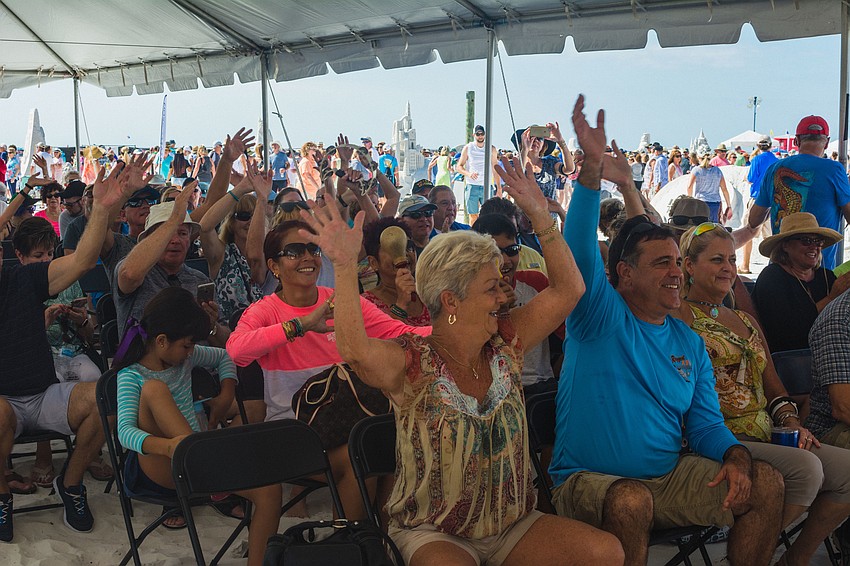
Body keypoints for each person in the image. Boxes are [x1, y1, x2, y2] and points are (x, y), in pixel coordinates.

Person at [305, 147, 625, 566]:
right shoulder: (413, 362)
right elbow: (355, 350)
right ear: (451, 300)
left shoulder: (507, 343)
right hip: (434, 531)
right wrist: (345, 267)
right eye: (491, 287)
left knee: (606, 552)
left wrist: (542, 217)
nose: (504, 293)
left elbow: (570, 290)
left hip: (513, 523)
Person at [549, 94, 784, 566]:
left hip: (668, 478)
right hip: (586, 481)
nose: (676, 273)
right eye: (662, 263)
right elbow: (576, 250)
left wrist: (735, 454)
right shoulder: (599, 316)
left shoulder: (688, 342)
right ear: (624, 275)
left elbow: (704, 425)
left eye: (678, 262)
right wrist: (591, 170)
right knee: (632, 500)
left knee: (765, 481)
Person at [226, 213, 432, 519]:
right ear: (274, 266)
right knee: (363, 455)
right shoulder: (265, 310)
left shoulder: (343, 301)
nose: (308, 258)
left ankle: (380, 539)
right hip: (293, 431)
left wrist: (458, 326)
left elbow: (402, 333)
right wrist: (303, 324)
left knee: (394, 442)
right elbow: (237, 351)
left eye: (313, 250)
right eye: (295, 251)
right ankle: (355, 539)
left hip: (349, 421)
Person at [677, 221, 850, 566]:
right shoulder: (678, 317)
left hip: (765, 432)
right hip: (718, 436)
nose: (727, 267)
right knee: (808, 470)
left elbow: (775, 389)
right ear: (689, 266)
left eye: (730, 259)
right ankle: (750, 553)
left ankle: (791, 557)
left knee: (846, 471)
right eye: (716, 260)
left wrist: (790, 422)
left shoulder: (745, 320)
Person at [0, 156, 147, 542]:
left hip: (44, 392)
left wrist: (101, 207)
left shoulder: (20, 277)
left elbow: (82, 260)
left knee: (104, 396)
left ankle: (72, 482)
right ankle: (1, 493)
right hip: (3, 404)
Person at [114, 287, 280, 564]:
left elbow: (225, 356)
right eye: (187, 345)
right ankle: (201, 459)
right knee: (154, 389)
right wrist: (168, 446)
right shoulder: (131, 375)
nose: (190, 352)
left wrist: (226, 393)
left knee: (270, 490)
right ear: (162, 341)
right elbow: (125, 433)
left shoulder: (184, 358)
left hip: (196, 452)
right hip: (157, 463)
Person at [472, 213, 560, 396]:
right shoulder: (465, 296)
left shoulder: (535, 282)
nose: (505, 260)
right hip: (491, 393)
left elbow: (570, 335)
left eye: (512, 250)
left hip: (538, 390)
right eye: (494, 253)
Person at [746, 115, 850, 270]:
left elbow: (754, 220)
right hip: (818, 270)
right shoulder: (834, 169)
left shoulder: (774, 169)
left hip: (780, 268)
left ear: (796, 141)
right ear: (827, 142)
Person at [752, 212, 850, 353]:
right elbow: (788, 332)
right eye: (806, 241)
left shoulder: (826, 277)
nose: (814, 247)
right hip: (785, 360)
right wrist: (831, 299)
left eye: (818, 241)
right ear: (785, 245)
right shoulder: (772, 277)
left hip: (828, 353)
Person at [361, 217, 430, 326]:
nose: (404, 254)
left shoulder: (428, 293)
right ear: (373, 262)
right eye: (393, 248)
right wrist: (401, 304)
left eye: (407, 247)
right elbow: (385, 340)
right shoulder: (366, 304)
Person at [739, 136, 777, 274]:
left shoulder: (757, 160)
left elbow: (751, 179)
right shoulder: (776, 161)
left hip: (758, 199)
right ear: (771, 145)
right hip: (773, 200)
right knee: (771, 236)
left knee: (748, 232)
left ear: (758, 146)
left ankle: (745, 265)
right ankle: (774, 266)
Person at [456, 124, 500, 224]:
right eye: (478, 134)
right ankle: (474, 236)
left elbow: (495, 168)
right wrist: (468, 174)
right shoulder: (468, 148)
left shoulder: (491, 148)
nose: (480, 136)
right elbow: (459, 166)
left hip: (487, 185)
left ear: (485, 135)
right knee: (473, 215)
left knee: (488, 215)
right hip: (472, 185)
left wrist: (499, 188)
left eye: (482, 134)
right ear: (474, 135)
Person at [686, 152, 732, 223]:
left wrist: (690, 200)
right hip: (715, 203)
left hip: (701, 202)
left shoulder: (696, 170)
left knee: (700, 227)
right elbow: (724, 189)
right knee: (713, 228)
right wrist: (729, 205)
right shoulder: (717, 171)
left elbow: (689, 187)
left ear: (698, 157)